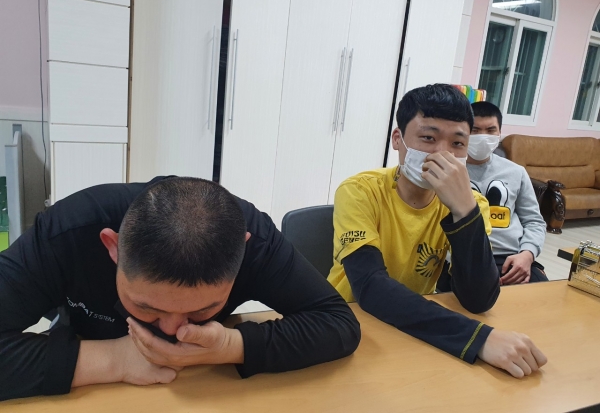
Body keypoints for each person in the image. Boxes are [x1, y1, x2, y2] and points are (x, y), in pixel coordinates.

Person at [0, 177, 361, 401]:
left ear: (243, 254)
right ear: (113, 248)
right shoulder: (67, 232)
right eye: (147, 307)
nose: (175, 330)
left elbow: (337, 322)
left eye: (202, 310)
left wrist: (229, 346)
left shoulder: (254, 238)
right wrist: (115, 359)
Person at [327, 84, 547, 379]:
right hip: (349, 320)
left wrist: (464, 211)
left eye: (457, 143)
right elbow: (369, 286)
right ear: (398, 139)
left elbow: (478, 299)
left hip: (413, 325)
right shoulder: (360, 191)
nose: (443, 154)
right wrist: (478, 339)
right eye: (428, 138)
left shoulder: (472, 203)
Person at [465, 101, 548, 285]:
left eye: (490, 130)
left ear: (499, 133)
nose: (483, 137)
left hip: (510, 257)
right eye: (475, 130)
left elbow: (534, 221)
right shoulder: (448, 170)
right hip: (464, 257)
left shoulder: (516, 172)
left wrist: (527, 254)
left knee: (544, 295)